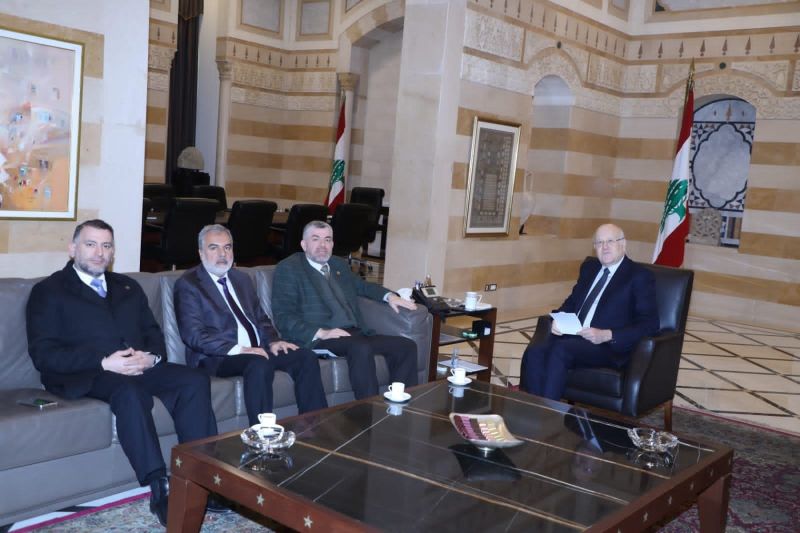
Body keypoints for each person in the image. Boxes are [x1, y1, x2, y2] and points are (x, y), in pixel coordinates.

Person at [25, 219, 221, 527]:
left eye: (106, 245)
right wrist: (103, 362)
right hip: (88, 373)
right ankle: (159, 486)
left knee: (193, 380)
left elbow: (153, 333)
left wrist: (150, 358)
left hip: (137, 366)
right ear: (73, 249)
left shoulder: (128, 287)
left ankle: (201, 477)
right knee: (130, 393)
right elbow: (44, 354)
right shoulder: (49, 291)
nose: (99, 253)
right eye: (91, 244)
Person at [174, 224, 328, 424]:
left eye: (227, 247)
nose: (222, 254)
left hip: (257, 350)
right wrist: (240, 349)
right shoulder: (189, 284)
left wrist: (273, 341)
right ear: (201, 253)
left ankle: (315, 427)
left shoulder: (241, 278)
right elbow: (193, 335)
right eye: (214, 248)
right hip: (218, 357)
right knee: (258, 364)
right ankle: (261, 432)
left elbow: (261, 318)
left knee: (305, 356)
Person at [271, 220, 419, 399]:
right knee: (360, 347)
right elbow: (283, 316)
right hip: (320, 339)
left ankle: (401, 406)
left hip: (354, 333)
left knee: (406, 346)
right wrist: (321, 332)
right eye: (316, 239)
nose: (322, 245)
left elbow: (363, 287)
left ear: (333, 244)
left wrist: (390, 296)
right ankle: (368, 409)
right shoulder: (289, 268)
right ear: (304, 244)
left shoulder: (338, 264)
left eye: (327, 240)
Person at [520, 223, 659, 400]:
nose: (604, 247)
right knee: (535, 352)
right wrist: (559, 318)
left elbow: (650, 323)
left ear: (623, 244)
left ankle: (549, 413)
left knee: (560, 350)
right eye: (599, 242)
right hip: (575, 335)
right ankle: (534, 408)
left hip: (607, 345)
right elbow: (572, 302)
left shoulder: (639, 276)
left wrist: (607, 334)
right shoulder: (589, 268)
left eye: (610, 241)